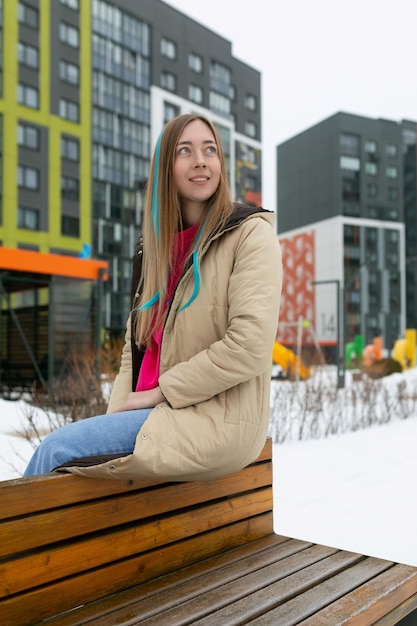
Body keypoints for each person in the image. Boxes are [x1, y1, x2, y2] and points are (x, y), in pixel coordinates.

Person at [24, 113, 282, 480]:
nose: (201, 160)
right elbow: (135, 350)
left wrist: (159, 393)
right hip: (155, 417)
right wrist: (115, 416)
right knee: (74, 471)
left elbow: (250, 346)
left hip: (213, 420)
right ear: (166, 168)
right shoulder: (155, 251)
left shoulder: (250, 234)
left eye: (210, 150)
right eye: (185, 151)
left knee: (56, 449)